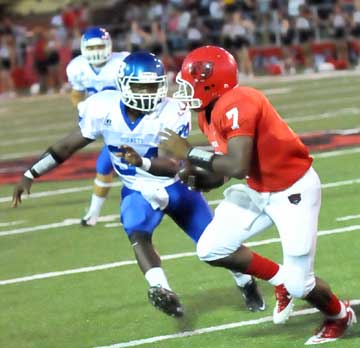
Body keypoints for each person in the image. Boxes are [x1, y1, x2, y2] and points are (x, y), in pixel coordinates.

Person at [12, 51, 270, 317]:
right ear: (123, 84)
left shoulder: (172, 110)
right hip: (137, 189)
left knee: (217, 244)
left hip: (175, 185)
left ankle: (246, 282)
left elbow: (174, 165)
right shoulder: (103, 107)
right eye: (141, 86)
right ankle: (161, 288)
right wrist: (31, 173)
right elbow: (66, 146)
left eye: (153, 86)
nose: (149, 93)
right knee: (137, 233)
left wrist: (142, 163)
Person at [159, 45, 356, 344]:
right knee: (210, 248)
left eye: (189, 84)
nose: (184, 91)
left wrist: (188, 151)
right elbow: (225, 171)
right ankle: (280, 281)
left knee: (302, 285)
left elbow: (237, 164)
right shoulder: (209, 113)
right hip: (259, 188)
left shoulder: (241, 101)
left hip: (293, 192)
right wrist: (202, 180)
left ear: (211, 82)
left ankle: (340, 315)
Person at [66, 26, 129, 226]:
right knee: (111, 166)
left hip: (126, 121)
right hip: (106, 123)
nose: (96, 51)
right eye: (91, 48)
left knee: (106, 165)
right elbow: (77, 93)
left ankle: (93, 215)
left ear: (109, 45)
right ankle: (93, 215)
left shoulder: (122, 63)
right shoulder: (77, 67)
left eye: (100, 46)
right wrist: (82, 107)